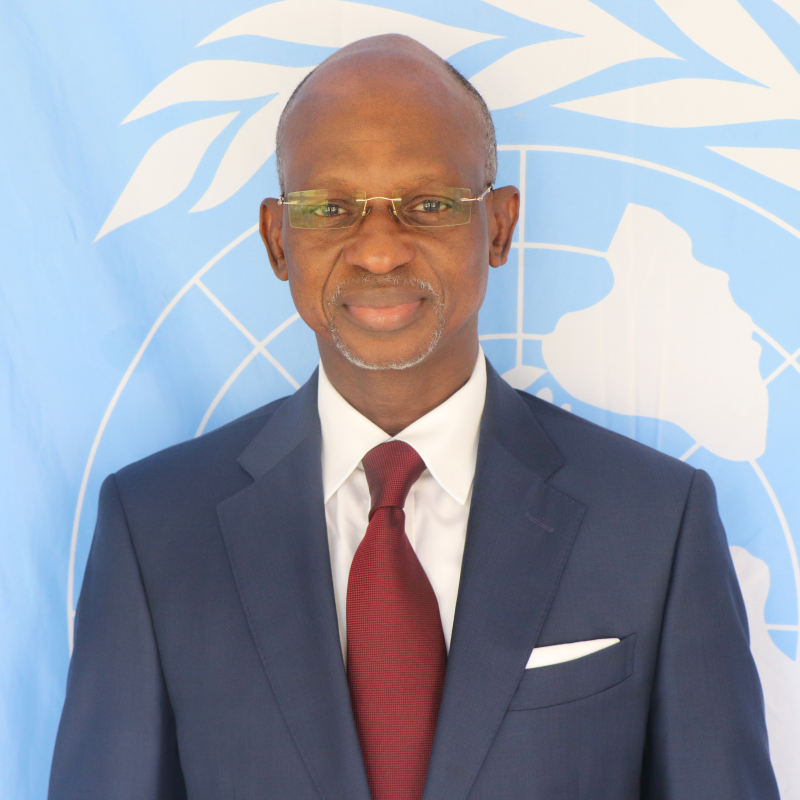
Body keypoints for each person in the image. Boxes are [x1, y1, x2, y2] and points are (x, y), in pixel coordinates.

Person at [49, 34, 779, 800]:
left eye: (428, 205)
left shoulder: (655, 523)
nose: (379, 251)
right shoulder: (156, 529)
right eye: (330, 208)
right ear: (277, 239)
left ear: (498, 227)